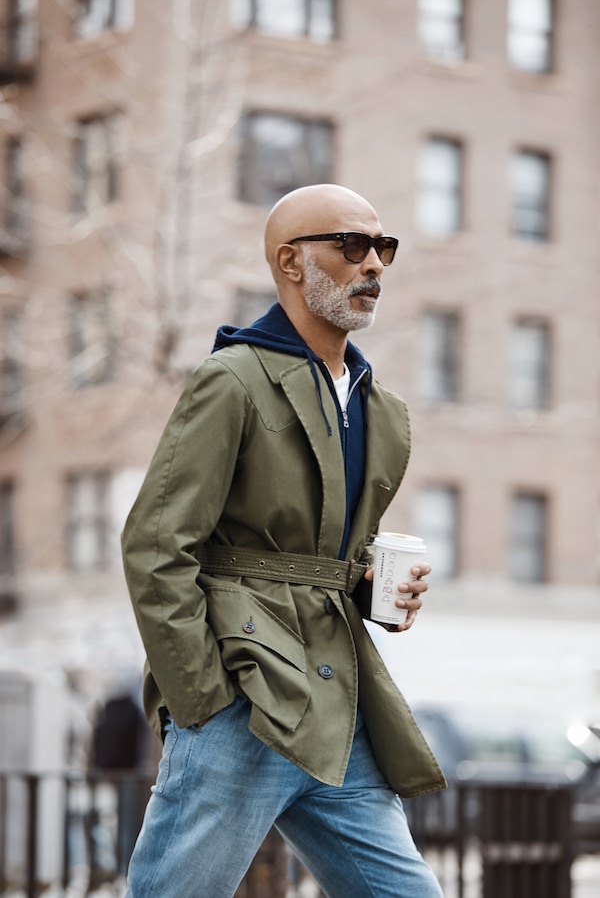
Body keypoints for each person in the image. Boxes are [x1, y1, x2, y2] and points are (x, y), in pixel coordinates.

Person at [121, 183, 446, 897]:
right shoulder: (231, 381)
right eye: (352, 246)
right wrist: (201, 700)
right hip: (243, 702)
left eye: (382, 249)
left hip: (340, 705)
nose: (374, 267)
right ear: (291, 262)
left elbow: (328, 556)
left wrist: (368, 587)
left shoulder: (380, 409)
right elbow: (155, 544)